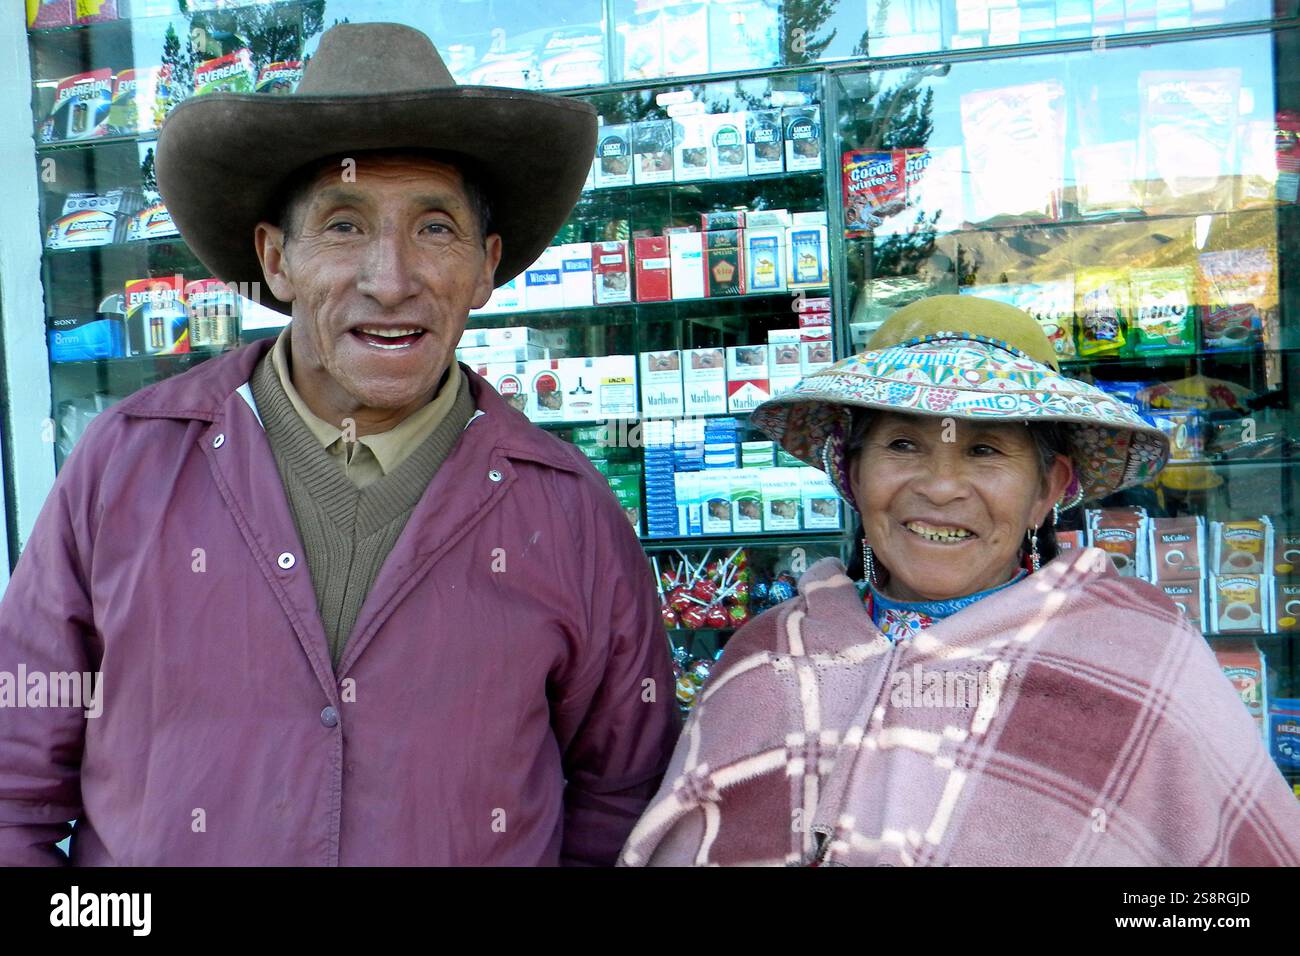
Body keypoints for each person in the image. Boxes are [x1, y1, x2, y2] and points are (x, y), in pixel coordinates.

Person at [0, 23, 678, 866]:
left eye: (435, 229)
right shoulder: (126, 466)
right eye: (345, 226)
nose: (390, 280)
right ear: (276, 260)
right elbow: (12, 791)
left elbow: (624, 799)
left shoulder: (570, 514)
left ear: (485, 266)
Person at [621, 295, 1300, 866]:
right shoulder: (770, 657)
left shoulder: (1143, 662)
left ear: (1050, 491)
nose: (940, 487)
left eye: (984, 449)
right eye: (902, 444)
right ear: (850, 475)